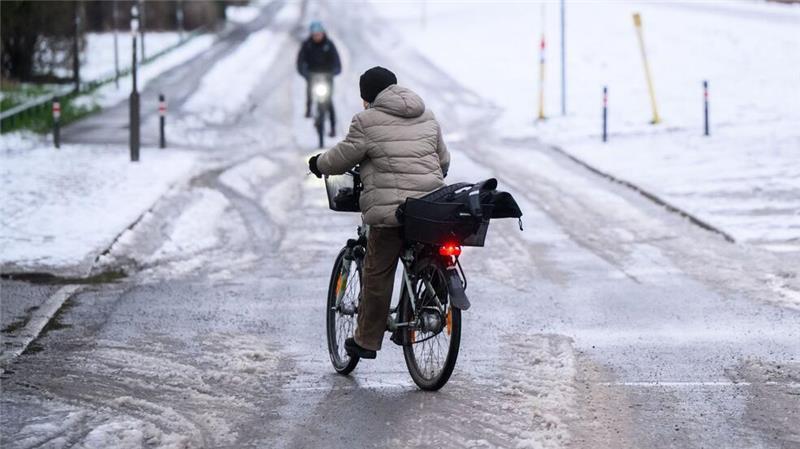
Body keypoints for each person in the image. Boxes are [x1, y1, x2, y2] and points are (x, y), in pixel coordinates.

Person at [308, 67, 450, 359]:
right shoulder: (426, 115)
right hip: (430, 208)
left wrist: (318, 163)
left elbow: (341, 158)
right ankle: (427, 305)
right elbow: (444, 161)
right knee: (429, 250)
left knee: (377, 272)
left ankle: (366, 341)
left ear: (368, 97)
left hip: (392, 212)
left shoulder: (366, 121)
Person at [296, 21, 342, 136]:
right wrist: (304, 73)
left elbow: (337, 62)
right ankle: (308, 109)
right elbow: (300, 62)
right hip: (312, 75)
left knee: (329, 101)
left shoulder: (329, 45)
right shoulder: (307, 45)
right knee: (309, 92)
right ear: (311, 34)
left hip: (327, 76)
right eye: (315, 34)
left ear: (322, 33)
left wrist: (335, 71)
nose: (317, 36)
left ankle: (333, 127)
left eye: (319, 34)